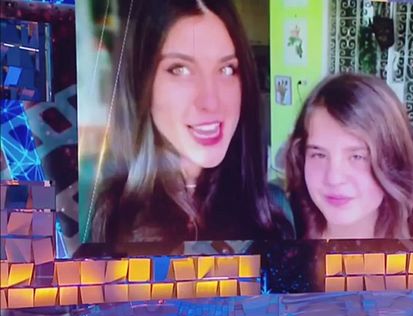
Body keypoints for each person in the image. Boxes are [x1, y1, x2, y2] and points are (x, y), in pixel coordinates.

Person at [90, 0, 292, 244]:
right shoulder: (110, 218)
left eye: (227, 69)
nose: (211, 102)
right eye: (180, 69)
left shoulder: (273, 211)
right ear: (141, 82)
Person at [285, 73, 413, 239]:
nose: (334, 178)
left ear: (395, 160)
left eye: (357, 157)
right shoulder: (283, 238)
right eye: (319, 155)